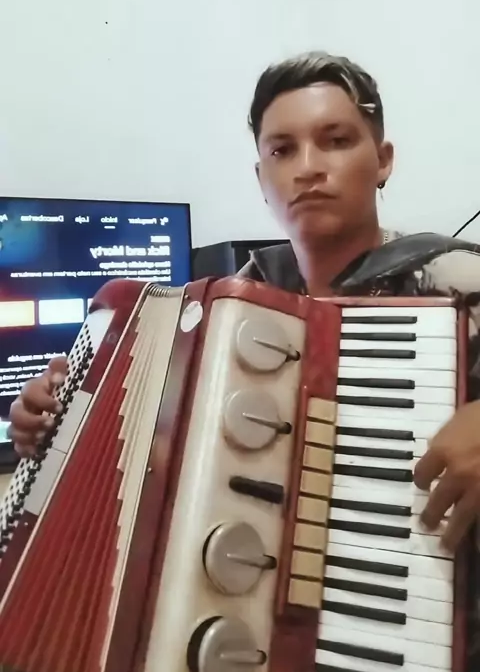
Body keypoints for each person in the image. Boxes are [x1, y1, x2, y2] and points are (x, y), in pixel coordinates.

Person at [8, 51, 480, 553]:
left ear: (382, 160)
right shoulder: (232, 308)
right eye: (282, 150)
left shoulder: (457, 280)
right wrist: (61, 418)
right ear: (261, 179)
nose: (308, 167)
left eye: (336, 141)